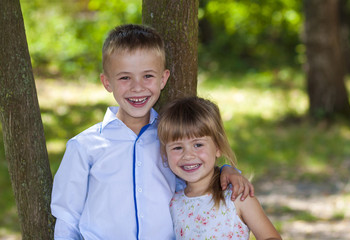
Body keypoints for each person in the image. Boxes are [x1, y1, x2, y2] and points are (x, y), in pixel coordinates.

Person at [50, 24, 254, 240]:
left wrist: (225, 171)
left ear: (163, 79)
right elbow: (67, 218)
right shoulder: (84, 146)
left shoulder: (171, 138)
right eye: (125, 78)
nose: (137, 87)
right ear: (107, 82)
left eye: (148, 76)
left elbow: (194, 172)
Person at [157, 96, 282, 240]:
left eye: (198, 145)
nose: (188, 155)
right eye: (177, 147)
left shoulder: (237, 197)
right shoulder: (174, 203)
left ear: (217, 147)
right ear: (165, 153)